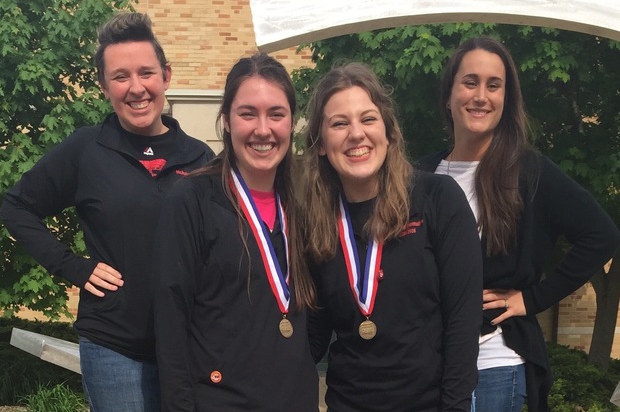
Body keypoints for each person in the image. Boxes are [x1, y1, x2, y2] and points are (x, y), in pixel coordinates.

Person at [0, 12, 215, 411]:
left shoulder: (200, 157)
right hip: (115, 347)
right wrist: (73, 267)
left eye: (146, 73)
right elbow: (15, 206)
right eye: (121, 77)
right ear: (103, 86)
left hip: (187, 346)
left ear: (166, 76)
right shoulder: (87, 150)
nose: (137, 88)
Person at [417, 36, 620, 412]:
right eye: (470, 82)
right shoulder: (420, 175)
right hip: (425, 366)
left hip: (493, 366)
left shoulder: (528, 172)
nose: (481, 95)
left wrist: (532, 298)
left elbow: (601, 235)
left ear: (506, 100)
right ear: (448, 94)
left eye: (494, 85)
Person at [303, 62, 483, 412]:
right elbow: (314, 333)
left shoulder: (437, 199)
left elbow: (463, 323)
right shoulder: (318, 220)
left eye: (368, 119)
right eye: (340, 123)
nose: (356, 134)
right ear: (322, 144)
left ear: (388, 131)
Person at [153, 53, 318, 411]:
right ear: (226, 120)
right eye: (248, 113)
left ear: (292, 122)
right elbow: (170, 322)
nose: (263, 129)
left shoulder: (306, 200)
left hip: (294, 399)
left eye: (276, 114)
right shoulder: (192, 199)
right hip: (219, 400)